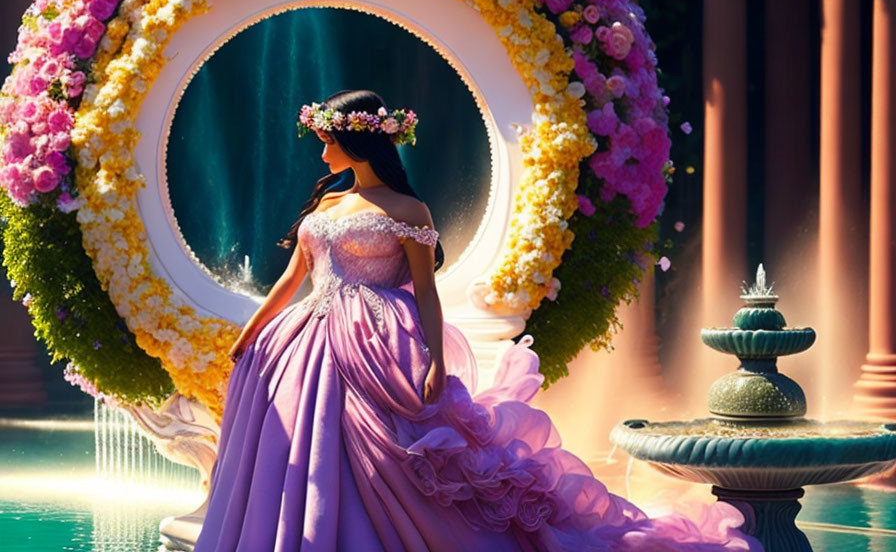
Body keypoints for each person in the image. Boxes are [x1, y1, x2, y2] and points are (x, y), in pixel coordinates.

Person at [192, 89, 760, 552]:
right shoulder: (325, 206)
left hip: (378, 343)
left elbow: (427, 293)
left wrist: (436, 359)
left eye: (328, 144)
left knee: (391, 450)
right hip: (309, 338)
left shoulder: (410, 212)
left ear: (354, 142)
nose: (321, 157)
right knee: (302, 442)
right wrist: (252, 331)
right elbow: (291, 280)